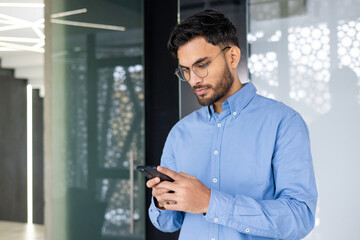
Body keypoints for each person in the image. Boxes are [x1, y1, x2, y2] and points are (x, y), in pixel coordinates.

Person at [146, 9, 317, 240]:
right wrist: (162, 200)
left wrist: (210, 202)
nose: (194, 79)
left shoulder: (283, 123)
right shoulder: (181, 133)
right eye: (185, 70)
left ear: (233, 57)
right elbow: (168, 224)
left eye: (202, 65)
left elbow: (299, 218)